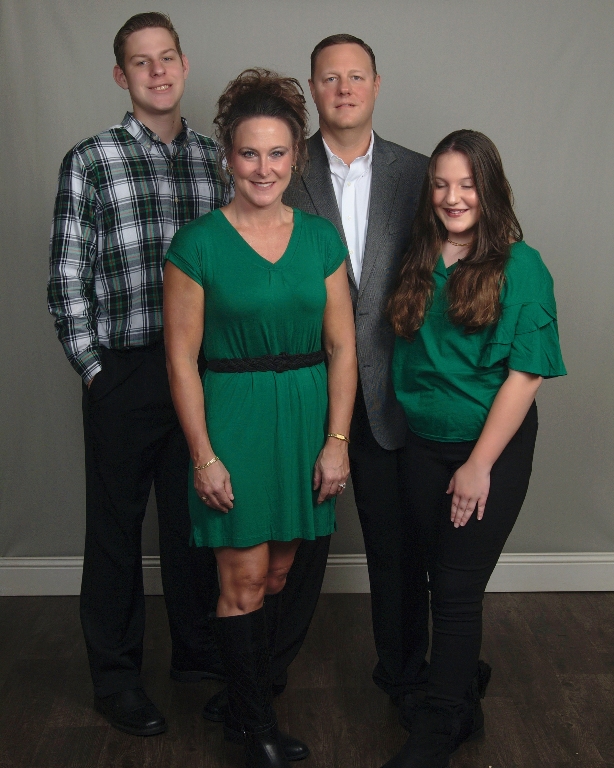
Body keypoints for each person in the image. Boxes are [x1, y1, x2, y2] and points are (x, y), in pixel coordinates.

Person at [163, 68, 357, 767]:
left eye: (277, 153)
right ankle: (256, 730)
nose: (264, 168)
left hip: (304, 419)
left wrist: (337, 441)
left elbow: (343, 347)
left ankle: (245, 698)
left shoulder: (321, 240)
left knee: (275, 577)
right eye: (249, 153)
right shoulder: (196, 245)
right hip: (235, 419)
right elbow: (180, 360)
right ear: (227, 157)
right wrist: (204, 456)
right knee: (241, 581)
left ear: (296, 157)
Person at [47, 12, 229, 736]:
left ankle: (196, 652)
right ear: (121, 76)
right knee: (116, 529)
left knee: (193, 519)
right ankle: (117, 679)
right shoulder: (90, 161)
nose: (158, 72)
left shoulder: (216, 160)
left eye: (167, 57)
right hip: (123, 370)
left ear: (184, 65)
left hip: (201, 371)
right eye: (141, 62)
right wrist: (95, 371)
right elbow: (67, 278)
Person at [383, 129, 567, 768]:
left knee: (456, 589)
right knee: (431, 574)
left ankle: (438, 730)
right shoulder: (418, 255)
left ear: (491, 190)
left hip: (488, 450)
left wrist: (478, 465)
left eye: (467, 184)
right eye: (441, 184)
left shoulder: (522, 265)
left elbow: (527, 374)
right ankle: (461, 693)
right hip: (421, 445)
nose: (453, 197)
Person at [283, 34, 431, 706]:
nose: (343, 89)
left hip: (390, 397)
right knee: (286, 547)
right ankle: (261, 681)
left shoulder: (420, 174)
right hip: (302, 388)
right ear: (312, 88)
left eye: (356, 76)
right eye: (329, 77)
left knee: (396, 553)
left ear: (376, 84)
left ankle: (403, 678)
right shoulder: (280, 168)